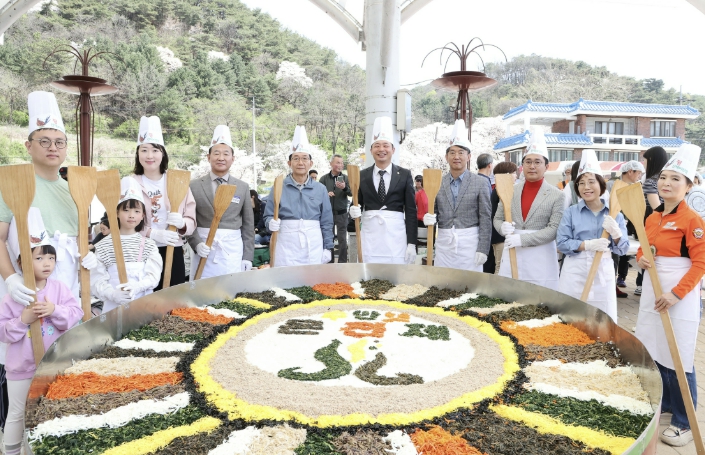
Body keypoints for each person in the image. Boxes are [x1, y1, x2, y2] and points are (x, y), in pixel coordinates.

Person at [0, 92, 94, 430]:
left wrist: (90, 258)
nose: (53, 148)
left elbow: (82, 240)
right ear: (28, 146)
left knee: (60, 373)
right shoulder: (11, 183)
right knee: (21, 373)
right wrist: (11, 278)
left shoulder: (74, 190)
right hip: (23, 288)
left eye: (59, 142)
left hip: (64, 292)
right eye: (44, 141)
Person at [634, 143, 705, 447]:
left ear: (689, 186)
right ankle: (664, 404)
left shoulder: (693, 220)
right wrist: (641, 258)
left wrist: (676, 294)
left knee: (679, 355)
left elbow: (701, 263)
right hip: (653, 292)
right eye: (663, 177)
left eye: (676, 179)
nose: (666, 183)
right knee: (655, 349)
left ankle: (684, 421)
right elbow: (644, 248)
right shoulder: (652, 217)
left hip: (680, 297)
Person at [0, 209, 83, 455]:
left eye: (51, 257)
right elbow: (3, 332)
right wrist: (22, 320)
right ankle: (11, 451)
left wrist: (54, 310)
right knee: (17, 413)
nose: (47, 263)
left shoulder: (59, 289)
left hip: (52, 365)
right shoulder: (12, 296)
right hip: (21, 369)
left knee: (48, 409)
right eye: (39, 258)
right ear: (21, 261)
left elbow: (75, 314)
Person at [124, 116, 196, 291]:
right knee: (146, 298)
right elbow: (124, 221)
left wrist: (182, 223)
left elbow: (191, 219)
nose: (150, 156)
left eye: (155, 150)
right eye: (144, 150)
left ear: (162, 153)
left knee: (173, 298)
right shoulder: (130, 183)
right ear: (138, 154)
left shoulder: (177, 181)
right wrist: (152, 233)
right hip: (140, 252)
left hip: (173, 249)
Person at [556, 150, 629, 322]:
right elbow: (562, 243)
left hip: (603, 270)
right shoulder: (571, 212)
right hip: (575, 270)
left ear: (601, 184)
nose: (586, 187)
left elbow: (623, 249)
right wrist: (587, 245)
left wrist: (616, 234)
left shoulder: (615, 214)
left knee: (602, 318)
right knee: (571, 317)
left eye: (591, 182)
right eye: (581, 183)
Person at [493, 129, 564, 288]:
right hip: (512, 251)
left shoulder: (556, 195)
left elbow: (554, 229)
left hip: (541, 255)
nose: (532, 166)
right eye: (528, 162)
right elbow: (497, 218)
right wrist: (502, 228)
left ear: (546, 166)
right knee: (510, 293)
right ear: (522, 166)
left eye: (537, 162)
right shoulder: (510, 190)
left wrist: (522, 239)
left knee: (540, 296)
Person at [423, 120, 491, 271]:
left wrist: (483, 249)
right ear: (446, 157)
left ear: (469, 156)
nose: (456, 156)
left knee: (470, 282)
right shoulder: (437, 183)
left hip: (470, 243)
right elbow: (434, 212)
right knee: (442, 280)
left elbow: (485, 218)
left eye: (461, 152)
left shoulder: (480, 182)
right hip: (444, 243)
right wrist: (429, 218)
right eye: (452, 152)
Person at [188, 125, 255, 279]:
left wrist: (247, 256)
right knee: (202, 289)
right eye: (216, 153)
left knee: (231, 289)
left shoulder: (242, 187)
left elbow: (248, 225)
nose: (221, 158)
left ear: (233, 158)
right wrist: (196, 243)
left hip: (231, 250)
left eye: (226, 154)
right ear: (208, 157)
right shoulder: (193, 186)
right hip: (204, 249)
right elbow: (189, 220)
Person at [349, 117, 417, 264]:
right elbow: (356, 204)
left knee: (395, 273)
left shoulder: (404, 174)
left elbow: (411, 211)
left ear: (393, 149)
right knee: (369, 272)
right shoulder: (362, 175)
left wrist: (412, 242)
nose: (381, 149)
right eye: (377, 146)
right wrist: (353, 211)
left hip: (396, 236)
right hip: (370, 235)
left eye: (386, 145)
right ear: (371, 150)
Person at [90, 179, 162, 314]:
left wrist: (138, 286)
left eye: (137, 211)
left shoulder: (149, 245)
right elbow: (96, 279)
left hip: (143, 307)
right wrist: (112, 294)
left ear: (143, 215)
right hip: (113, 309)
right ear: (116, 212)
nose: (131, 215)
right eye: (126, 210)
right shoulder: (104, 246)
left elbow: (154, 276)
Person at [264, 126, 334, 266]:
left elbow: (327, 222)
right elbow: (268, 216)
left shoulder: (320, 189)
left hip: (313, 243)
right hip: (285, 244)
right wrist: (270, 223)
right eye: (296, 158)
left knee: (312, 277)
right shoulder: (279, 186)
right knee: (286, 277)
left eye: (304, 158)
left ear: (310, 163)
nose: (300, 162)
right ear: (289, 163)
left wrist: (328, 247)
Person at [635, 146, 669, 296]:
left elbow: (657, 208)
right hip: (666, 223)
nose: (643, 163)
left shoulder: (651, 181)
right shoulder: (664, 179)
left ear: (652, 160)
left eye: (645, 160)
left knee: (649, 255)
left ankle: (647, 287)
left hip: (655, 224)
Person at [613, 161, 645, 291]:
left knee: (623, 253)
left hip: (627, 228)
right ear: (630, 171)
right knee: (614, 256)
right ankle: (614, 284)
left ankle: (620, 279)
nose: (640, 176)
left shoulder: (636, 188)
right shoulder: (612, 184)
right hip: (612, 226)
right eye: (639, 173)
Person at [319, 155, 352, 263]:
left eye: (342, 163)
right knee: (329, 238)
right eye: (338, 162)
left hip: (342, 213)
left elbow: (352, 193)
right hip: (327, 214)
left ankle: (342, 262)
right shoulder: (323, 179)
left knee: (342, 239)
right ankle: (330, 261)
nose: (340, 165)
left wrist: (344, 188)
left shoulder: (346, 178)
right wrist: (326, 194)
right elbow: (317, 195)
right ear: (331, 164)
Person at [490, 161, 518, 274]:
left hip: (501, 235)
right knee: (500, 266)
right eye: (514, 173)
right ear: (507, 174)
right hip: (500, 236)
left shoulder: (501, 190)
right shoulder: (500, 191)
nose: (516, 176)